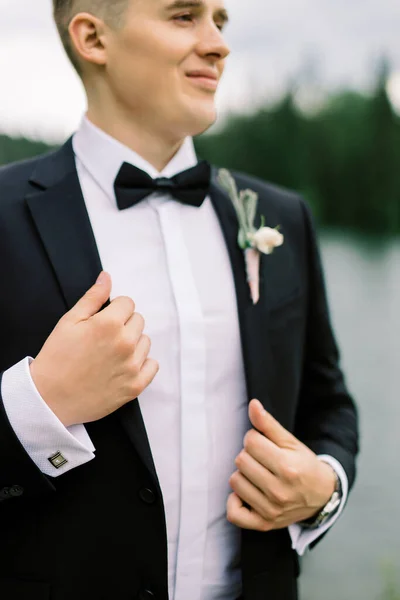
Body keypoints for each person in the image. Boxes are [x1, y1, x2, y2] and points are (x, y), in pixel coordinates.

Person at [0, 1, 358, 599]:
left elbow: (330, 403)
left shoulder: (282, 218)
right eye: (184, 16)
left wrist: (324, 489)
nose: (218, 44)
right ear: (92, 38)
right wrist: (43, 405)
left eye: (221, 21)